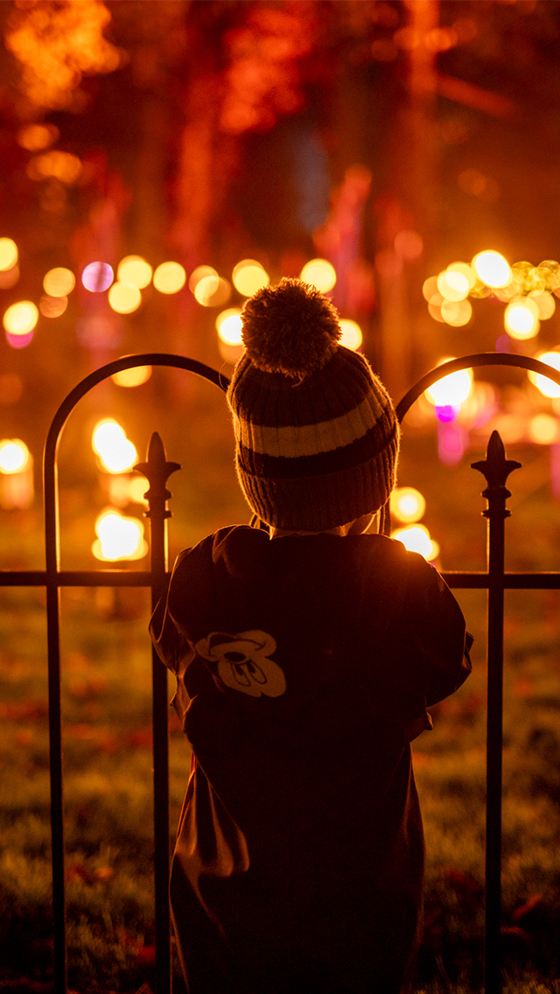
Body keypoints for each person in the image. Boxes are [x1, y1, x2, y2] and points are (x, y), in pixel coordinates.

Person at [150, 278, 472, 994]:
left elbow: (168, 640)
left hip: (223, 876)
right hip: (362, 879)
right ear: (374, 478)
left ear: (254, 474)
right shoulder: (397, 583)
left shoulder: (205, 573)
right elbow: (450, 659)